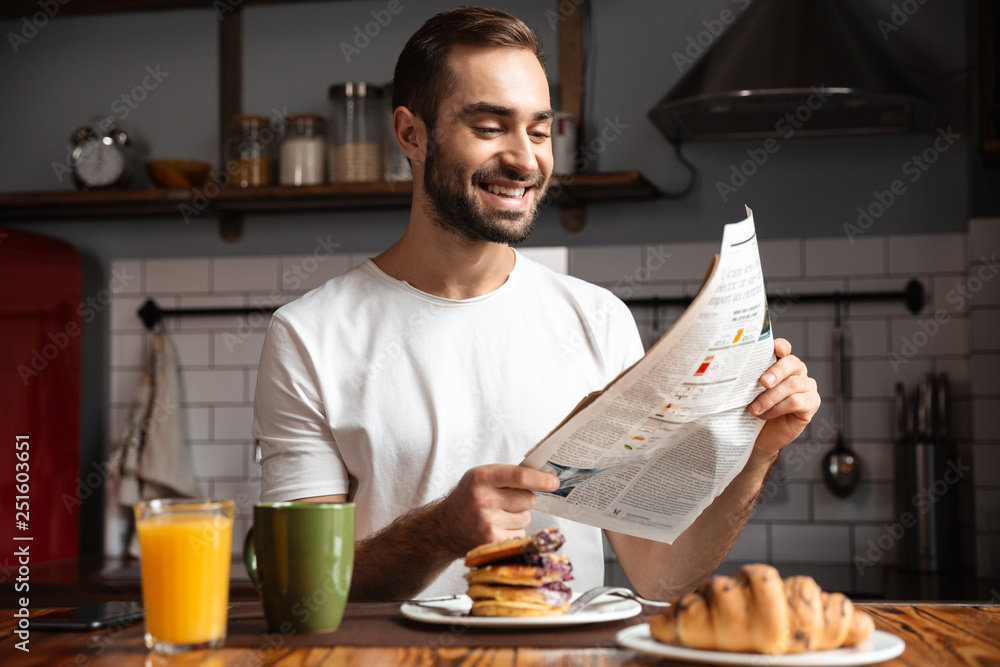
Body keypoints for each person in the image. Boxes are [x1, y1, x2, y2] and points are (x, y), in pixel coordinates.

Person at [252, 6, 820, 601]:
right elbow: (299, 587)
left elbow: (661, 574)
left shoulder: (599, 321)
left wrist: (755, 455)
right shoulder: (308, 336)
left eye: (540, 130)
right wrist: (441, 532)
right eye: (491, 127)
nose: (525, 159)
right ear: (411, 134)